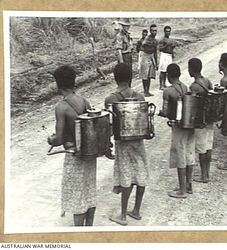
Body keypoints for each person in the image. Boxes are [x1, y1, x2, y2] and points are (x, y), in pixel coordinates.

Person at [47, 65, 97, 226]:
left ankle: (79, 234)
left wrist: (50, 140)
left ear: (57, 84)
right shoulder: (84, 101)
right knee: (89, 191)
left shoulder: (61, 107)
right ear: (74, 82)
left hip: (74, 155)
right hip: (89, 155)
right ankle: (89, 230)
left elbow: (59, 139)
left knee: (77, 196)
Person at [105, 63, 149, 226]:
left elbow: (109, 126)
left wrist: (106, 145)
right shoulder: (140, 97)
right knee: (140, 172)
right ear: (130, 77)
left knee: (126, 175)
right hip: (138, 141)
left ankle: (122, 215)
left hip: (122, 143)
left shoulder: (111, 99)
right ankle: (136, 210)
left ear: (115, 79)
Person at [159, 63, 195, 198]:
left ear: (168, 76)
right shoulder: (185, 87)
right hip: (189, 125)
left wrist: (162, 114)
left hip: (178, 126)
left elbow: (165, 111)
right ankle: (188, 184)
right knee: (189, 153)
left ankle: (182, 190)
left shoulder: (168, 91)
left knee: (180, 155)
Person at [188, 58, 213, 183]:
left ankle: (204, 176)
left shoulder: (194, 86)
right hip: (209, 120)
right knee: (208, 147)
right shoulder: (207, 81)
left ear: (192, 69)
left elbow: (192, 106)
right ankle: (206, 173)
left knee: (201, 149)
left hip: (200, 122)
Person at [139, 24, 158, 97]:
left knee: (149, 75)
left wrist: (156, 62)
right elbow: (142, 45)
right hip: (145, 56)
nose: (154, 32)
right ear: (150, 31)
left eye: (155, 31)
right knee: (145, 75)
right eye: (153, 31)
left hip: (151, 57)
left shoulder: (155, 40)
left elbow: (155, 51)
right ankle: (145, 91)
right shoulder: (147, 38)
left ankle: (148, 91)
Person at [115, 18, 133, 87]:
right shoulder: (119, 36)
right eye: (125, 26)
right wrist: (121, 62)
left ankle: (129, 89)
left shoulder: (127, 35)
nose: (127, 27)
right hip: (124, 57)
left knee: (129, 75)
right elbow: (119, 50)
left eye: (128, 26)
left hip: (129, 57)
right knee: (123, 76)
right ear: (122, 26)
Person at [158, 26, 176, 90]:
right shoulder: (162, 39)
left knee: (168, 70)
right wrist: (166, 45)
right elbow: (160, 49)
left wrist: (172, 52)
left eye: (169, 31)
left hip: (169, 56)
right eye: (167, 31)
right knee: (163, 71)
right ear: (164, 32)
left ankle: (165, 84)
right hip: (164, 55)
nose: (168, 32)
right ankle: (161, 85)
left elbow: (171, 48)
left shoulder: (170, 40)